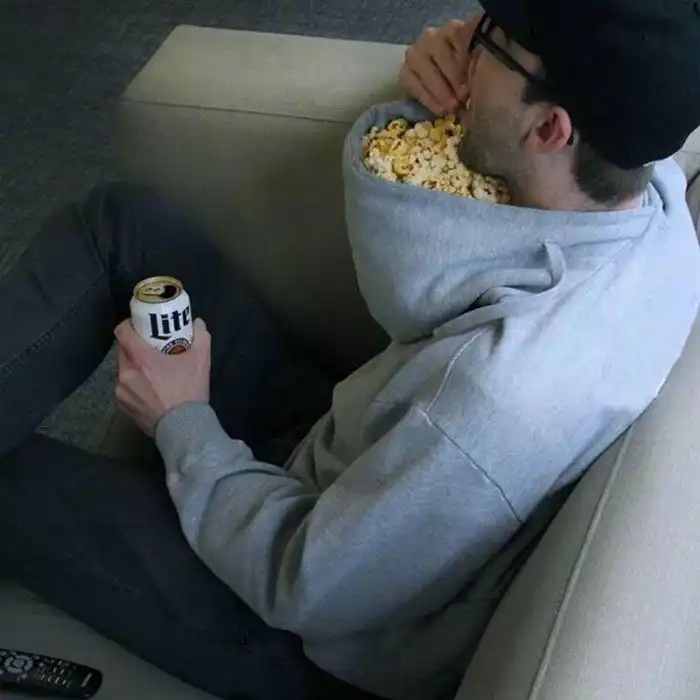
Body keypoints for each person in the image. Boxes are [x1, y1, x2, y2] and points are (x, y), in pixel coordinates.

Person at [1, 0, 700, 699]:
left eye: (492, 41)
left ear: (549, 128)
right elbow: (419, 295)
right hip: (357, 462)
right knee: (122, 225)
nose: (467, 43)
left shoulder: (498, 397)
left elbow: (302, 584)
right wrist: (447, 75)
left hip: (298, 623)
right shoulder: (650, 194)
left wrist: (181, 422)